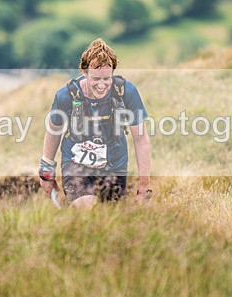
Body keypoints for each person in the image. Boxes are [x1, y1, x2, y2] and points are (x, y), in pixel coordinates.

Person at [38, 38, 152, 208]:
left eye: (107, 79)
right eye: (96, 79)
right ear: (84, 72)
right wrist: (46, 172)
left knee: (107, 220)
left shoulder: (127, 92)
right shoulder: (66, 96)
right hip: (76, 164)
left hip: (115, 166)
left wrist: (144, 187)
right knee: (86, 207)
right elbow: (53, 132)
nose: (101, 85)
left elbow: (141, 139)